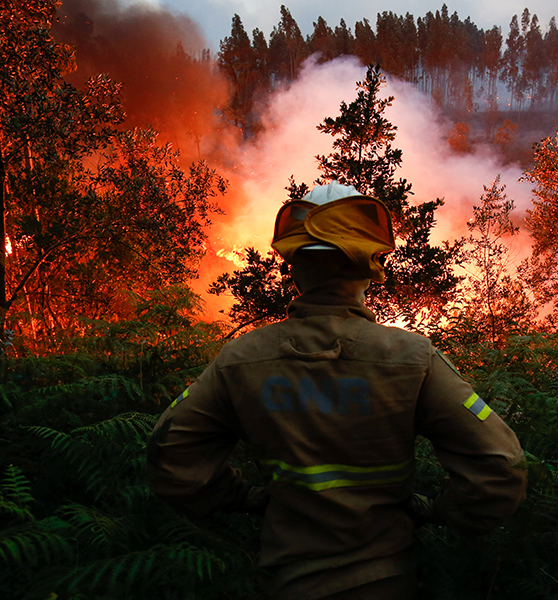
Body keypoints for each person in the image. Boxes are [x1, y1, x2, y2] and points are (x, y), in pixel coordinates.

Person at [146, 183, 526, 599]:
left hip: (285, 585)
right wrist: (437, 510)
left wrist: (249, 499)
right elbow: (501, 466)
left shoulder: (241, 359)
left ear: (294, 266)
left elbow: (171, 455)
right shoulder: (411, 357)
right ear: (370, 264)